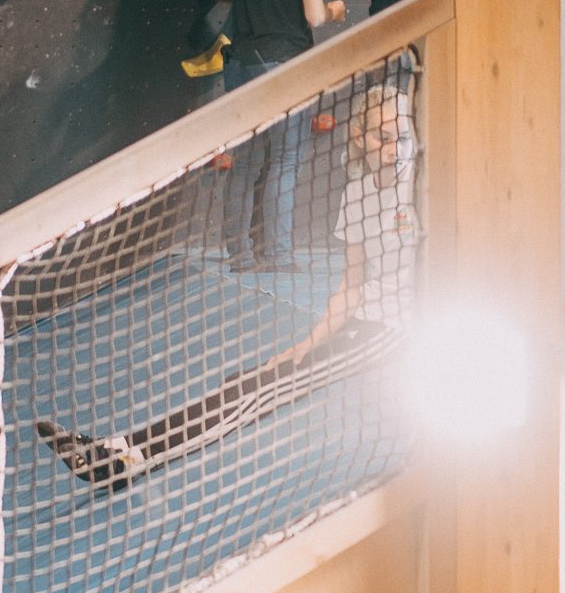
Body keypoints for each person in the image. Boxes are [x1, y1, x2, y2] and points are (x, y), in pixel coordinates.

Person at [36, 84, 416, 488]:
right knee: (248, 381)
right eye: (382, 138)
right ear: (358, 136)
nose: (393, 150)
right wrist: (306, 344)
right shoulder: (356, 193)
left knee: (262, 389)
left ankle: (124, 456)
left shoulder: (420, 183)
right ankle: (121, 453)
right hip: (362, 323)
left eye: (402, 137)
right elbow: (351, 286)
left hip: (393, 331)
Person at [209, 0, 345, 267]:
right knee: (285, 161)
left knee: (245, 163)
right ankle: (279, 253)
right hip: (285, 68)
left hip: (240, 65)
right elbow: (315, 16)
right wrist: (336, 10)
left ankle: (239, 254)